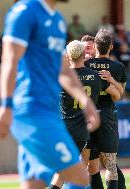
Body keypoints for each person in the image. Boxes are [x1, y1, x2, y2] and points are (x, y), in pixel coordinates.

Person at [0, 1, 100, 189]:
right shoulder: (24, 12)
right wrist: (6, 105)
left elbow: (64, 69)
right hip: (32, 111)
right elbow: (9, 60)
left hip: (49, 112)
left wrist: (86, 103)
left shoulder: (57, 19)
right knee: (80, 177)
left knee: (35, 184)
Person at [50, 40, 121, 189]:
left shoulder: (62, 77)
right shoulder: (95, 77)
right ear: (84, 55)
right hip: (84, 131)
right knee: (81, 169)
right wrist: (111, 80)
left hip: (64, 130)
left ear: (68, 57)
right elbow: (116, 95)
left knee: (61, 173)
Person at [84, 30, 127, 189]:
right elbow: (119, 94)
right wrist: (111, 80)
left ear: (95, 45)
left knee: (91, 166)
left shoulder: (85, 65)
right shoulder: (118, 67)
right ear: (111, 46)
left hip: (87, 117)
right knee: (110, 165)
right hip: (107, 115)